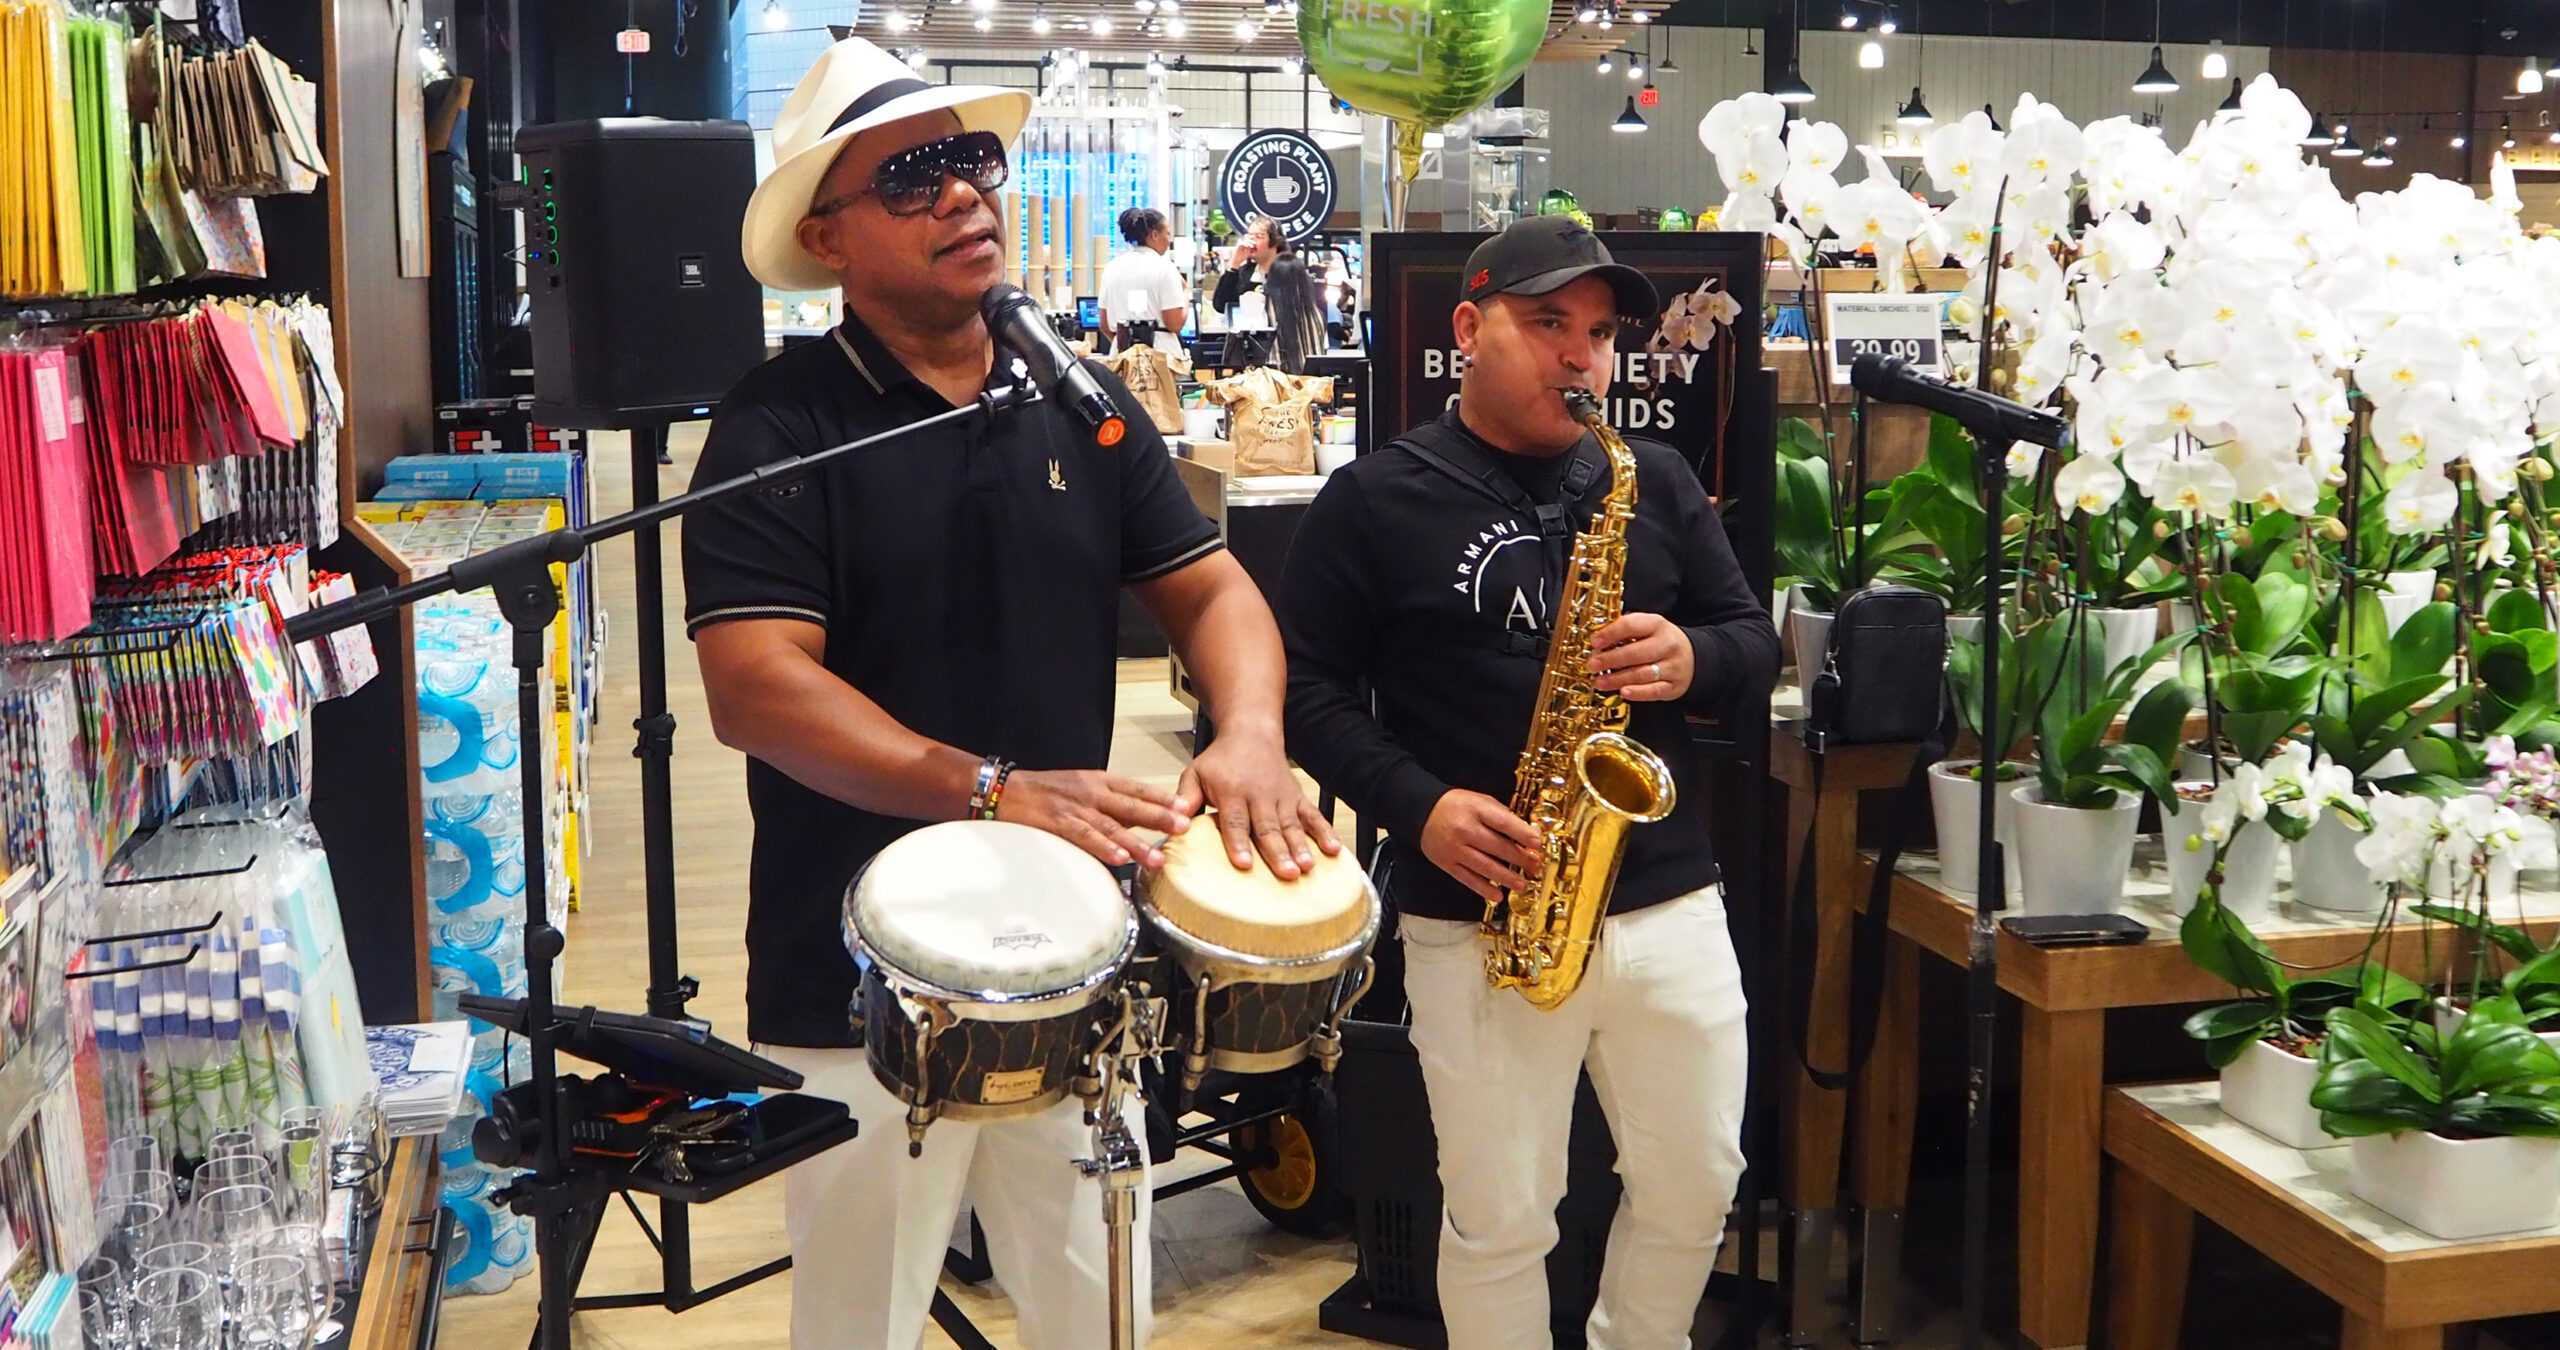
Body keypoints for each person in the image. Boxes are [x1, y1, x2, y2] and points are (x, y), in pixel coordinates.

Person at [686, 37, 1338, 1350]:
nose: (962, 194)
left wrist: (1254, 733)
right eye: (911, 177)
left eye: (971, 160)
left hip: (1073, 946)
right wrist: (988, 789)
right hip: (858, 965)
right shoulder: (778, 422)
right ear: (826, 234)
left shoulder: (1078, 400)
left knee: (1103, 1310)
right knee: (859, 1321)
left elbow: (1213, 589)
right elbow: (756, 686)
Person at [1277, 215, 1778, 1350]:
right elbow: (1301, 692)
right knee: (1501, 1219)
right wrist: (1419, 805)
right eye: (1550, 323)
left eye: (1598, 334)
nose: (1580, 357)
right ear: (1468, 327)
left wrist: (1696, 656)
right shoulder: (1374, 497)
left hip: (1664, 894)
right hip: (1482, 910)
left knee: (1699, 1183)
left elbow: (1751, 638)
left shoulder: (1649, 479)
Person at [1097, 206, 1189, 354]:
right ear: (1154, 235)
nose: (1169, 240)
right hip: (1160, 355)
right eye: (1167, 234)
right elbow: (1175, 324)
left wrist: (1125, 343)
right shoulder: (1164, 267)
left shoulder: (1112, 267)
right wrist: (1185, 292)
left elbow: (1105, 324)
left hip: (1121, 355)